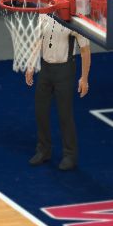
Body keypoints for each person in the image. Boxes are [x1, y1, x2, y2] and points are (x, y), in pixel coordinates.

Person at [24, 9, 90, 171]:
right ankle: (43, 150)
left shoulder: (75, 21)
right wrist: (31, 64)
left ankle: (70, 155)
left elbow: (85, 50)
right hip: (46, 69)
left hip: (65, 70)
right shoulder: (44, 14)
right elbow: (38, 40)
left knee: (64, 114)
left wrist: (84, 78)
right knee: (40, 111)